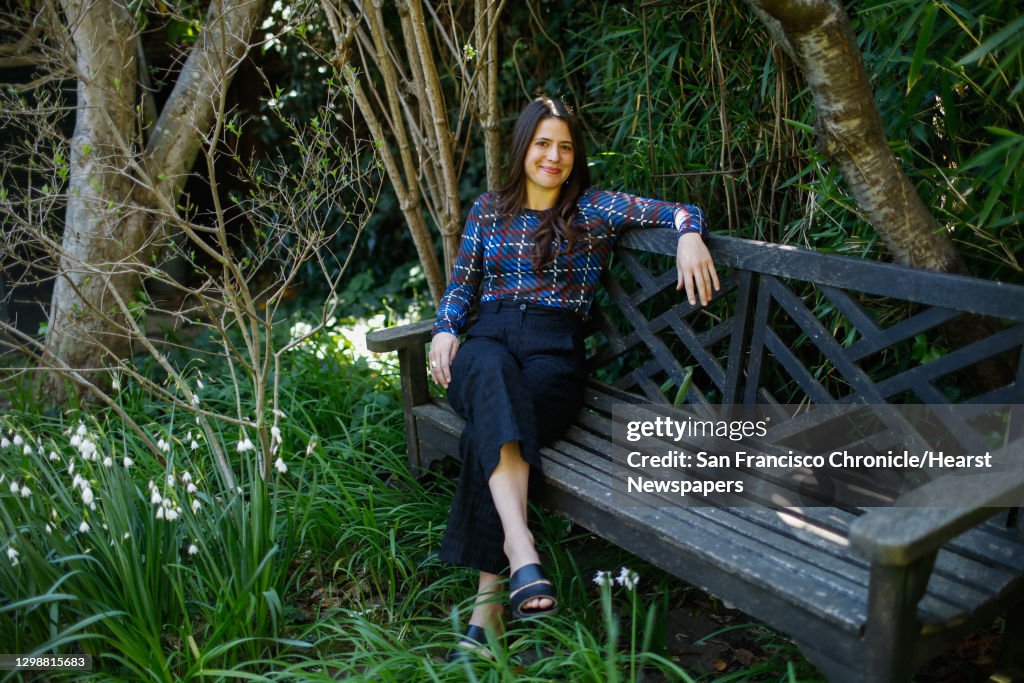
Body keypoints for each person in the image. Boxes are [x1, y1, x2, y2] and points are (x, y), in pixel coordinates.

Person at [428, 95, 719, 659]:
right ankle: (521, 547)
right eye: (542, 144)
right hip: (485, 340)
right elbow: (462, 286)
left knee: (489, 425)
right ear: (523, 148)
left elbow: (680, 211)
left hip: (553, 354)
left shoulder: (595, 209)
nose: (554, 156)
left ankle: (490, 603)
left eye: (564, 146)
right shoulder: (488, 210)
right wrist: (445, 329)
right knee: (488, 370)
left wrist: (688, 236)